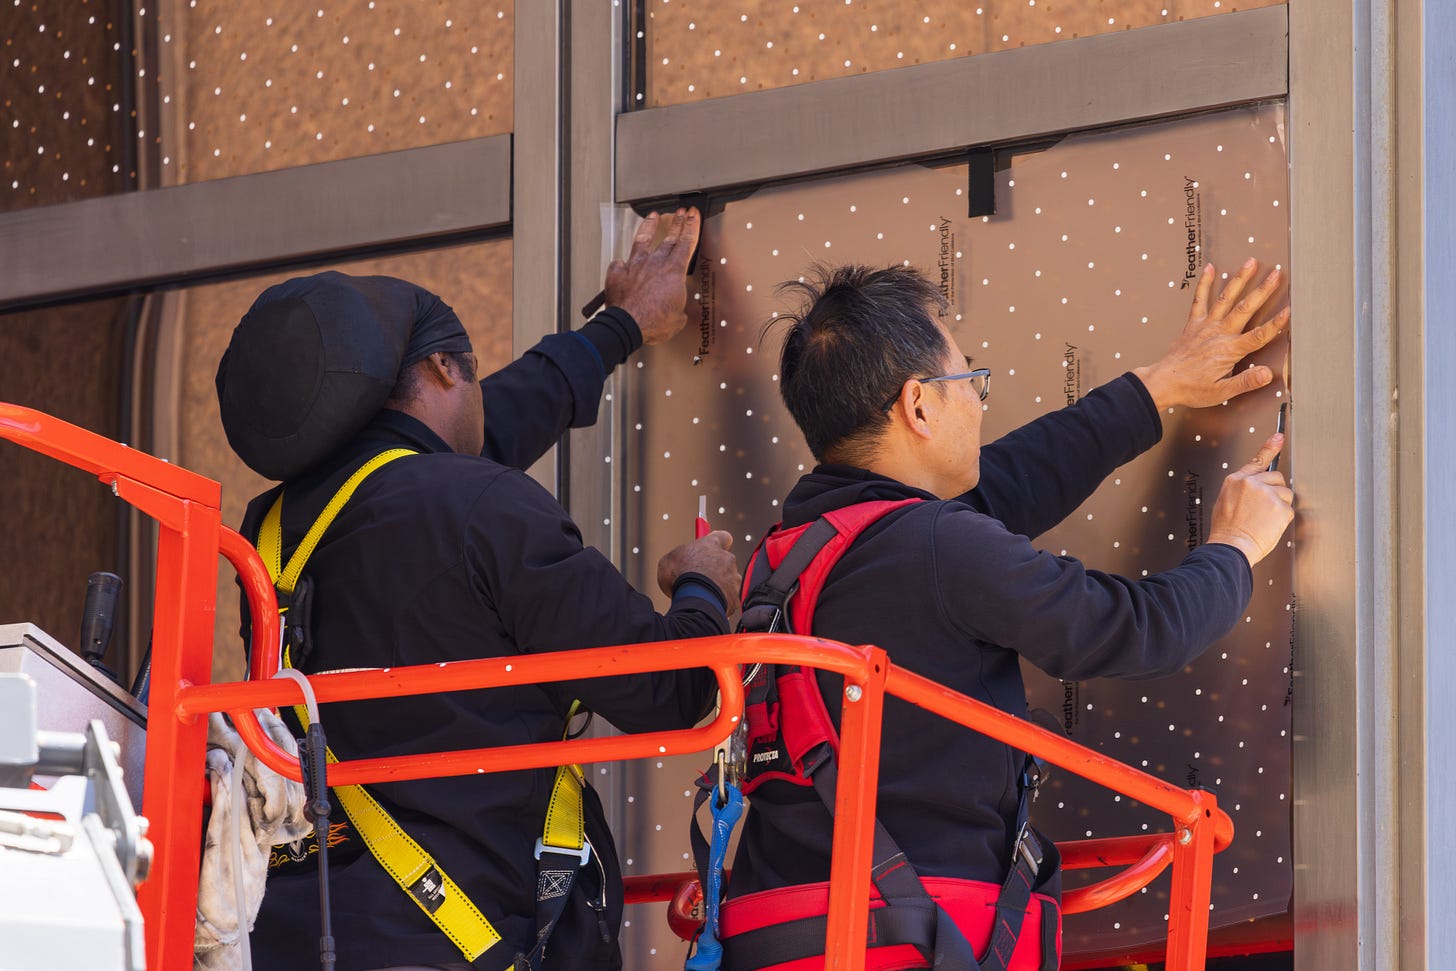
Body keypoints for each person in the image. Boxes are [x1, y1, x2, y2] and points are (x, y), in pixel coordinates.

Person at [718, 260, 1295, 970]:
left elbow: (1013, 480)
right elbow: (1131, 629)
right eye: (971, 382)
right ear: (919, 405)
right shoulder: (933, 546)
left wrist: (1160, 386)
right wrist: (1237, 546)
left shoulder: (791, 556)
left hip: (785, 929)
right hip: (916, 936)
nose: (982, 405)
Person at [215, 209, 742, 971]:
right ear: (440, 371)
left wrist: (620, 326)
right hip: (466, 942)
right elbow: (673, 687)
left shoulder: (272, 539)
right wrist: (700, 586)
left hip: (305, 936)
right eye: (471, 371)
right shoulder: (478, 509)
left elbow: (460, 451)